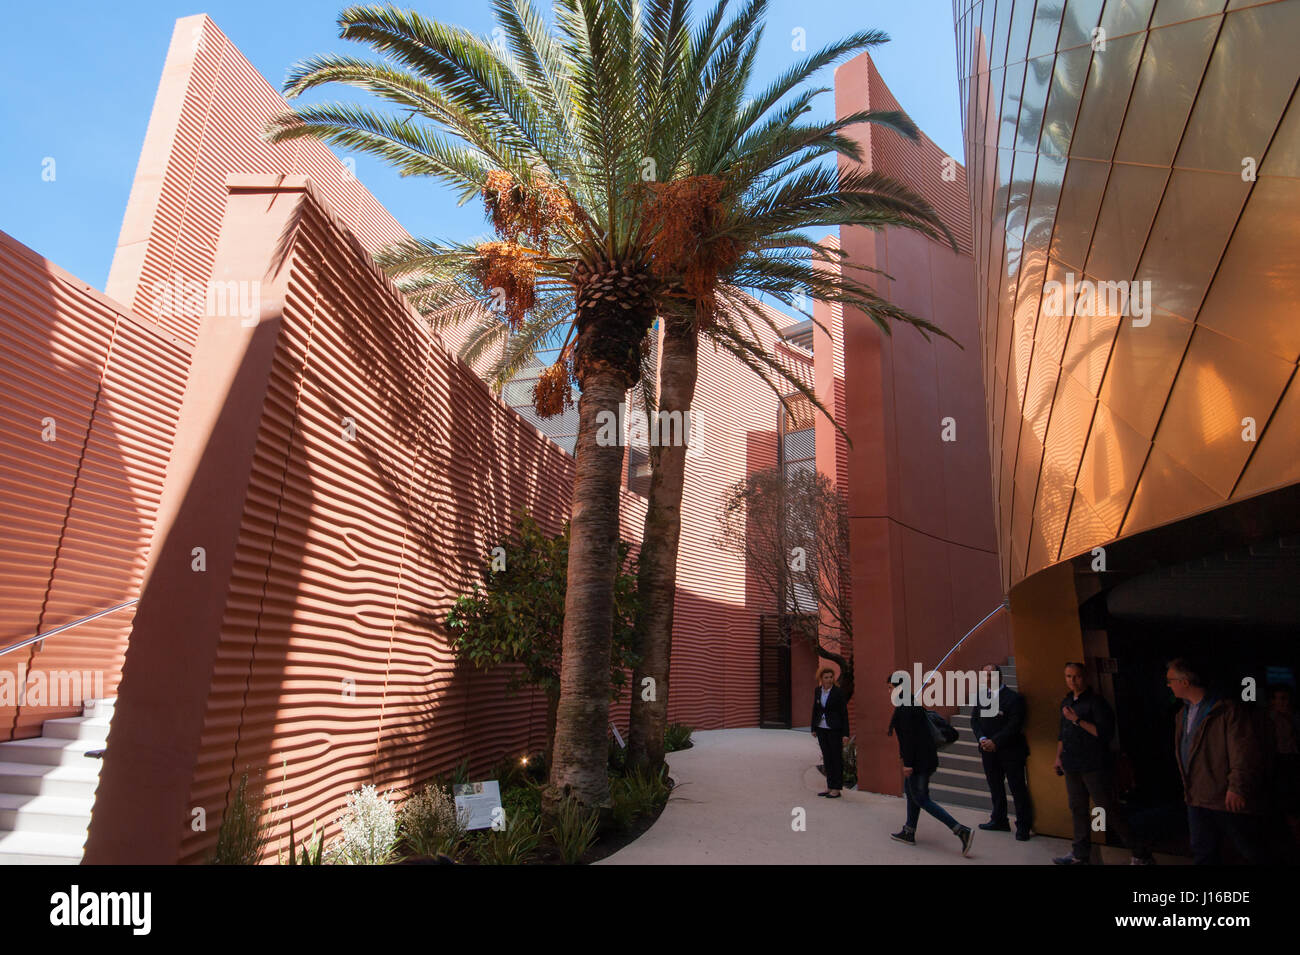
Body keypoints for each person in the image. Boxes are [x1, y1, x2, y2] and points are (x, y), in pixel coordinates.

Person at [1167, 658, 1267, 864]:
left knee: (1249, 847)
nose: (1168, 685)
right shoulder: (1182, 714)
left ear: (1185, 682)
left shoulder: (1226, 711)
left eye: (1170, 680)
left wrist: (1237, 787)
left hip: (1224, 794)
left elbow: (1243, 752)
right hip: (1195, 795)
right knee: (1202, 849)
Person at [1052, 662, 1153, 865]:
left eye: (1076, 676)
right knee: (1078, 808)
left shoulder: (1097, 703)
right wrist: (1058, 757)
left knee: (1106, 808)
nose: (1072, 680)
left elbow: (1103, 733)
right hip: (1072, 764)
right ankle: (1080, 854)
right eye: (1068, 676)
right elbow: (1062, 734)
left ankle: (1140, 853)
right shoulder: (1067, 701)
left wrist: (1077, 720)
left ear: (1085, 677)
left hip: (1094, 765)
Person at [887, 677, 974, 855]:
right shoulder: (913, 703)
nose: (889, 692)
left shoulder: (905, 709)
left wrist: (908, 764)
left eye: (890, 688)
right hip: (926, 759)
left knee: (921, 798)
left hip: (919, 762)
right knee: (912, 794)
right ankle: (909, 831)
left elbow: (909, 739)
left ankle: (960, 830)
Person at [970, 662, 1033, 840]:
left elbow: (1014, 725)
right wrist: (982, 739)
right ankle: (999, 819)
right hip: (988, 751)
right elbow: (975, 720)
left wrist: (995, 741)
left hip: (1010, 751)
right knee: (995, 786)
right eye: (985, 676)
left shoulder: (1014, 698)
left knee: (1017, 787)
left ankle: (1023, 825)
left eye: (991, 675)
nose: (988, 679)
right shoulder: (982, 697)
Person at [811, 667, 850, 798]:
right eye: (826, 677)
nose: (829, 679)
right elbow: (815, 710)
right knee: (827, 758)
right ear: (821, 678)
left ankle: (837, 788)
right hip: (821, 728)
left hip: (835, 729)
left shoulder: (838, 692)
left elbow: (844, 713)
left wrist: (845, 733)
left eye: (831, 677)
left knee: (836, 758)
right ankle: (829, 786)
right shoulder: (818, 691)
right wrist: (813, 727)